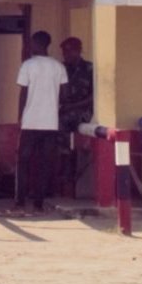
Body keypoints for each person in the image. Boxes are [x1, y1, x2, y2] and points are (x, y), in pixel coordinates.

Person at [14, 30, 68, 214]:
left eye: (31, 43)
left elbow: (23, 94)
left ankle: (19, 203)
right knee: (45, 165)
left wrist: (19, 117)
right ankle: (38, 204)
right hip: (50, 123)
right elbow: (65, 94)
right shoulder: (58, 67)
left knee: (23, 162)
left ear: (36, 44)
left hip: (30, 122)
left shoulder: (27, 65)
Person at [58, 35, 95, 199]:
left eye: (70, 50)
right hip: (63, 110)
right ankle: (64, 170)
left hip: (82, 111)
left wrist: (72, 107)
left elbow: (94, 96)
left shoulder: (89, 69)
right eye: (64, 51)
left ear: (79, 50)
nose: (66, 54)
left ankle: (70, 169)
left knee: (65, 123)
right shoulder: (61, 69)